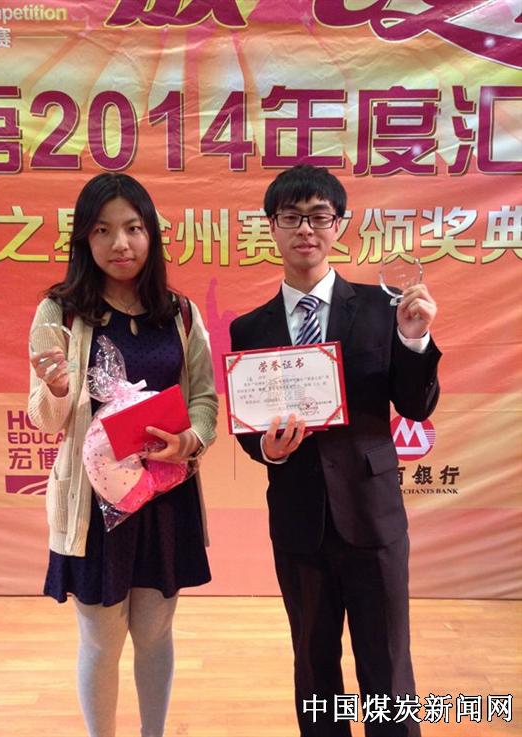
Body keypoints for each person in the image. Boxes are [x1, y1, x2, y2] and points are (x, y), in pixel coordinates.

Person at [230, 165, 440, 737]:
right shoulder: (250, 329)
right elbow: (248, 426)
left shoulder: (383, 308)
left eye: (319, 216)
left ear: (339, 225)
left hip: (372, 518)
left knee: (387, 668)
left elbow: (415, 406)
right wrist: (268, 450)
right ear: (271, 226)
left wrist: (415, 338)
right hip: (299, 523)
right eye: (292, 217)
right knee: (315, 669)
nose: (306, 229)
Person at [28, 172, 218, 737]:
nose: (120, 243)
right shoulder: (59, 313)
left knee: (156, 633)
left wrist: (190, 440)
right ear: (84, 239)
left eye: (133, 228)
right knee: (100, 638)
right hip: (93, 506)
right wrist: (57, 389)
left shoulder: (179, 313)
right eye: (103, 230)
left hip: (164, 496)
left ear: (151, 234)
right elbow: (45, 418)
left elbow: (204, 398)